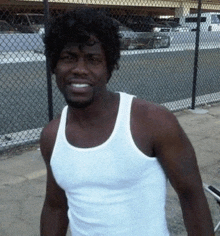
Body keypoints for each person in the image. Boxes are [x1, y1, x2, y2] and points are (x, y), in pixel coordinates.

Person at [40, 7, 214, 236]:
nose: (79, 69)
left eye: (93, 59)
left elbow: (191, 196)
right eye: (68, 58)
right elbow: (55, 206)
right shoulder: (52, 136)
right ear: (54, 65)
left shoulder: (152, 122)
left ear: (109, 68)